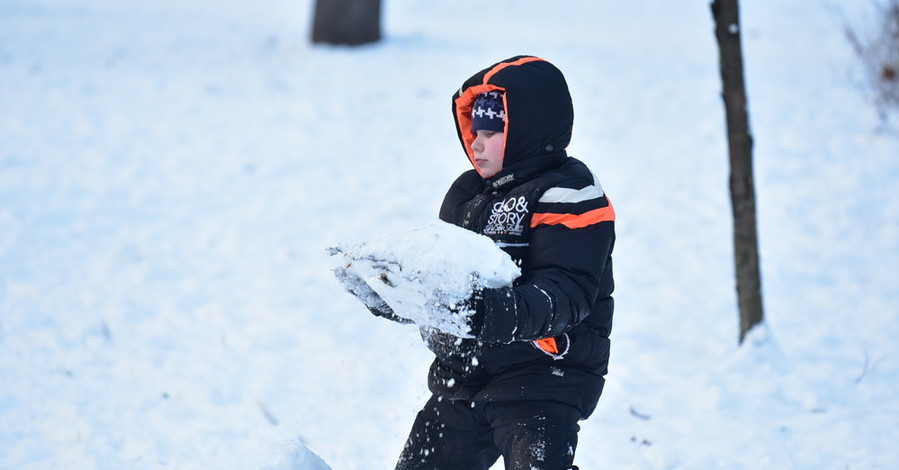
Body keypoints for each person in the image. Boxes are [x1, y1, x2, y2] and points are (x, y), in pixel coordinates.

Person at [393, 56, 616, 470]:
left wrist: (483, 311)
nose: (476, 141)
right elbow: (443, 273)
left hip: (543, 376)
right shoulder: (466, 194)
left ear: (529, 130)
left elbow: (565, 294)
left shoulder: (569, 192)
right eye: (474, 129)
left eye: (492, 131)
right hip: (465, 376)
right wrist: (399, 293)